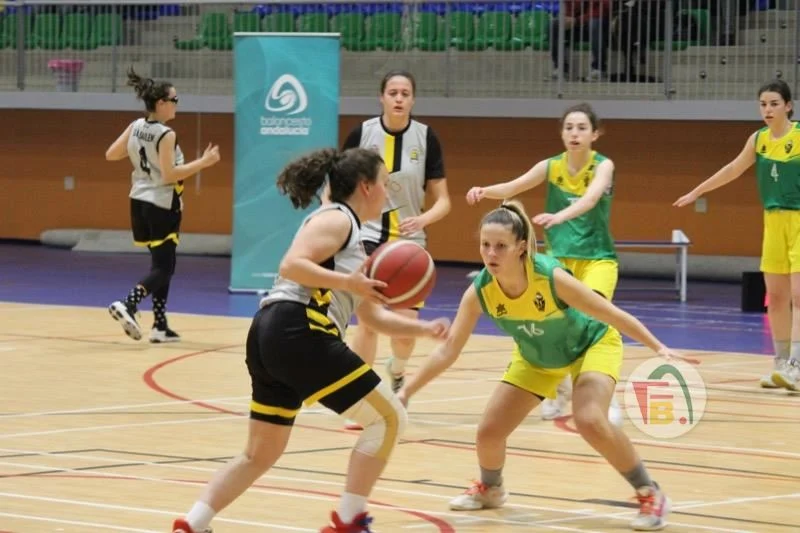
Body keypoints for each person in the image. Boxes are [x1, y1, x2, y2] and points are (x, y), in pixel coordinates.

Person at [171, 147, 450, 533]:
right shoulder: (338, 217)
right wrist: (347, 282)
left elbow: (370, 316)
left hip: (273, 335)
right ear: (366, 187)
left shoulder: (351, 237)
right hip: (299, 329)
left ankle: (193, 524)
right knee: (388, 419)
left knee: (260, 452)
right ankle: (349, 522)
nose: (388, 193)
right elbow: (291, 264)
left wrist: (424, 329)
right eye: (385, 183)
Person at [397, 201, 682, 531]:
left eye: (500, 246)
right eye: (485, 245)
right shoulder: (480, 292)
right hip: (537, 357)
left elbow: (609, 313)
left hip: (590, 345)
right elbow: (448, 350)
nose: (491, 253)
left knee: (589, 419)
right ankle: (491, 488)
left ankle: (650, 493)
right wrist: (405, 392)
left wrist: (657, 346)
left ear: (521, 247)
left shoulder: (549, 277)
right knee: (489, 432)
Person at [466, 102, 622, 424]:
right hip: (559, 260)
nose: (574, 133)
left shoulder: (603, 165)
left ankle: (601, 392)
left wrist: (560, 216)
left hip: (597, 259)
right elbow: (514, 186)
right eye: (569, 127)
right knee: (555, 325)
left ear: (595, 134)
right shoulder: (551, 166)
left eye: (582, 128)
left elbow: (591, 198)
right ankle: (558, 390)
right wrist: (484, 190)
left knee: (594, 321)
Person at [341, 70, 451, 429]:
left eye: (405, 93)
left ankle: (398, 370)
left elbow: (444, 201)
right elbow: (339, 185)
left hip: (408, 243)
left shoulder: (426, 137)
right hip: (368, 237)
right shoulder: (362, 134)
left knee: (404, 334)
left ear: (413, 99)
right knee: (368, 323)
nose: (399, 98)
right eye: (393, 92)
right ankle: (363, 402)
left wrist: (424, 219)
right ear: (382, 97)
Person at [675, 79, 800, 391]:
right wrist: (698, 191)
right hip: (773, 221)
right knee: (777, 297)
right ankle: (781, 363)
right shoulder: (758, 140)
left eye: (774, 103)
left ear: (788, 106)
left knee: (799, 295)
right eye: (763, 104)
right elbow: (732, 169)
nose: (768, 109)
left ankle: (797, 365)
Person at [105, 67, 220, 343]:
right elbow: (169, 175)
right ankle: (129, 303)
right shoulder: (166, 134)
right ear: (161, 103)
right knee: (164, 268)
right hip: (161, 204)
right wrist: (203, 163)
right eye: (174, 99)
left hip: (139, 201)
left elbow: (111, 154)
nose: (177, 104)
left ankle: (159, 325)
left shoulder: (136, 126)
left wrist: (140, 156)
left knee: (161, 263)